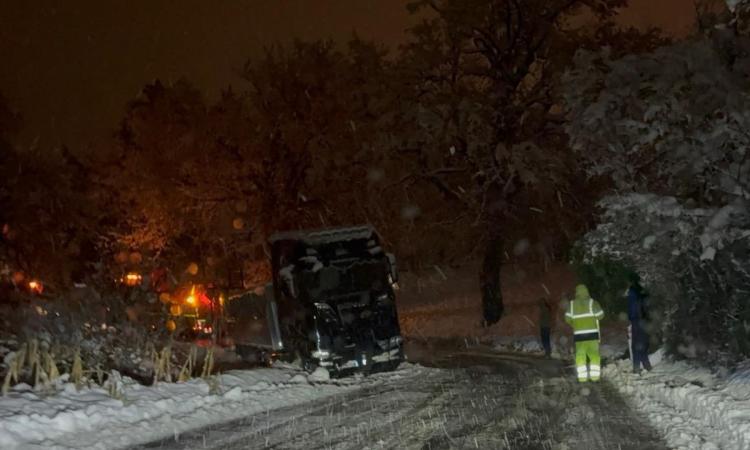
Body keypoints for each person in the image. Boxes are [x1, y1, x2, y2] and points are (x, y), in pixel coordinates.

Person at [565, 284, 605, 382]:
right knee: (594, 355)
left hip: (579, 336)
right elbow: (601, 316)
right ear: (587, 291)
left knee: (580, 356)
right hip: (592, 335)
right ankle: (595, 377)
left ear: (576, 292)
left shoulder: (572, 304)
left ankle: (582, 378)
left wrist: (575, 324)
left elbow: (567, 319)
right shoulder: (592, 303)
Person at [627, 273, 652, 374]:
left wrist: (632, 318)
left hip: (637, 320)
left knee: (636, 344)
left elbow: (632, 307)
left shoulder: (632, 291)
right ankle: (647, 365)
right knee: (643, 342)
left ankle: (637, 367)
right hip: (646, 320)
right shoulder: (643, 290)